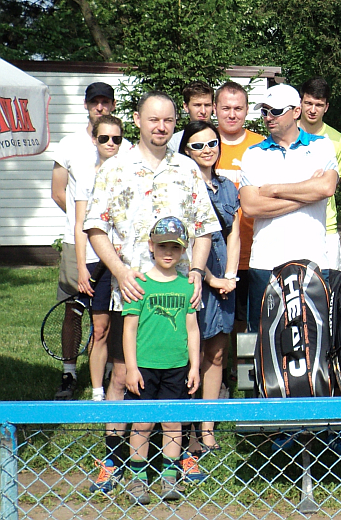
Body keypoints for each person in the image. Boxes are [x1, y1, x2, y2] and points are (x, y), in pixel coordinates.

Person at [84, 91, 219, 491]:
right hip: (131, 290)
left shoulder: (188, 168)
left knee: (182, 372)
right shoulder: (115, 168)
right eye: (153, 119)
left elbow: (204, 229)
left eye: (168, 120)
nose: (161, 127)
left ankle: (183, 455)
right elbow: (95, 227)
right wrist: (119, 271)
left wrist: (197, 272)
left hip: (178, 293)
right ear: (137, 120)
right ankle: (112, 458)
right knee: (123, 374)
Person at [50, 81, 131, 400]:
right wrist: (86, 224)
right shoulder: (69, 144)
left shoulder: (126, 148)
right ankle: (69, 371)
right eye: (94, 101)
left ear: (112, 105)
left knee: (114, 313)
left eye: (105, 102)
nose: (100, 106)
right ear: (86, 105)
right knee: (73, 309)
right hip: (79, 244)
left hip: (118, 247)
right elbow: (59, 192)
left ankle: (112, 370)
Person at [239, 83, 338, 332]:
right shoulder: (253, 154)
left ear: (296, 111)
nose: (268, 117)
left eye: (276, 111)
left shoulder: (321, 145)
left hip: (312, 259)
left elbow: (326, 188)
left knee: (315, 338)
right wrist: (307, 193)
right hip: (266, 262)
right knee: (265, 339)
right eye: (265, 111)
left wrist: (274, 190)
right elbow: (250, 206)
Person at [122, 217, 203, 505]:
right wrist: (131, 368)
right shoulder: (139, 285)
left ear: (183, 250)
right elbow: (129, 329)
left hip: (176, 367)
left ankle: (170, 476)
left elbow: (193, 330)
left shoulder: (186, 287)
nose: (168, 252)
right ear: (151, 246)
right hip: (144, 367)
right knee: (142, 424)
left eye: (175, 247)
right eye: (162, 246)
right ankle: (137, 478)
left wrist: (194, 367)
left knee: (172, 423)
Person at [179, 121, 240, 453]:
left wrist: (230, 275)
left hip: (224, 279)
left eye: (212, 143)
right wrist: (211, 279)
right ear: (186, 150)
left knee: (217, 354)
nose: (207, 150)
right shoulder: (180, 185)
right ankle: (186, 431)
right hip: (193, 278)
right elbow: (181, 242)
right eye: (198, 145)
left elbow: (234, 234)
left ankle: (207, 429)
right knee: (192, 353)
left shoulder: (228, 187)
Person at [213, 82, 265, 351]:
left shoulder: (261, 146)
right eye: (226, 108)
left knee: (248, 320)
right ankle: (218, 370)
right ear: (215, 109)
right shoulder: (204, 143)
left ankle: (242, 368)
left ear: (246, 111)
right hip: (212, 251)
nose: (232, 114)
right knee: (214, 321)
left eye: (238, 108)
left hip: (254, 250)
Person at [298, 77, 341, 277]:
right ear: (300, 103)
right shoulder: (286, 135)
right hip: (292, 222)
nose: (312, 110)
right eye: (308, 103)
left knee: (329, 286)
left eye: (318, 105)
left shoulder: (338, 140)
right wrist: (315, 184)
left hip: (327, 226)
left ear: (326, 107)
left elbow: (332, 186)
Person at [168, 81, 215, 152]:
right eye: (197, 105)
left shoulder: (221, 139)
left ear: (213, 106)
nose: (203, 111)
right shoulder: (174, 143)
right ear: (186, 107)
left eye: (207, 105)